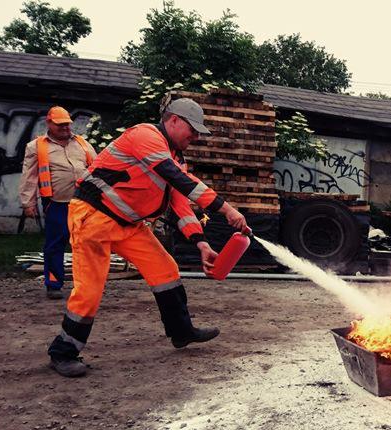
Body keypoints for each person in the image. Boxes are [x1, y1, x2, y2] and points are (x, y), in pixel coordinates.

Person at [47, 98, 249, 377]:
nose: (195, 137)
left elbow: (181, 203)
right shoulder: (146, 136)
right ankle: (63, 352)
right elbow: (176, 178)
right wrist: (226, 209)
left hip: (128, 225)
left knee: (165, 270)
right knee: (89, 291)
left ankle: (181, 332)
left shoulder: (176, 157)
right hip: (94, 218)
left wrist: (201, 243)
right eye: (192, 130)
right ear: (174, 120)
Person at [19, 106, 96, 299]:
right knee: (55, 244)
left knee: (87, 244)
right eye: (60, 125)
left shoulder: (82, 143)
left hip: (85, 203)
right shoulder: (36, 146)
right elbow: (29, 176)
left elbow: (97, 168)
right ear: (49, 124)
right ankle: (54, 284)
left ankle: (87, 284)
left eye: (67, 124)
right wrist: (28, 203)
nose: (65, 128)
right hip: (57, 204)